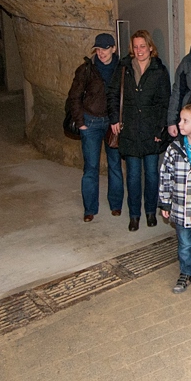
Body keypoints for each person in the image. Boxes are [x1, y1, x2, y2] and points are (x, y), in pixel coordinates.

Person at [107, 30, 171, 232]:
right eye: (135, 47)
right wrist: (114, 118)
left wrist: (160, 129)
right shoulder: (124, 68)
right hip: (130, 130)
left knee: (152, 175)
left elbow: (164, 102)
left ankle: (151, 211)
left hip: (151, 131)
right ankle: (134, 215)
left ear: (150, 47)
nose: (139, 50)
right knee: (133, 176)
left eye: (143, 46)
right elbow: (113, 94)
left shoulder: (159, 71)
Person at [66, 33, 124, 222]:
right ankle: (90, 208)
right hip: (90, 122)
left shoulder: (122, 68)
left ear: (113, 49)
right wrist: (80, 121)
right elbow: (74, 96)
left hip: (112, 123)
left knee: (114, 165)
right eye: (98, 49)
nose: (101, 53)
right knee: (91, 167)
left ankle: (116, 204)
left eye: (105, 49)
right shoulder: (86, 69)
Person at [158, 103, 191, 293]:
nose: (179, 124)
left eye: (185, 120)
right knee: (185, 243)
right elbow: (165, 176)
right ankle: (186, 272)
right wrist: (165, 201)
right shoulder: (174, 148)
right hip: (180, 207)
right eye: (180, 119)